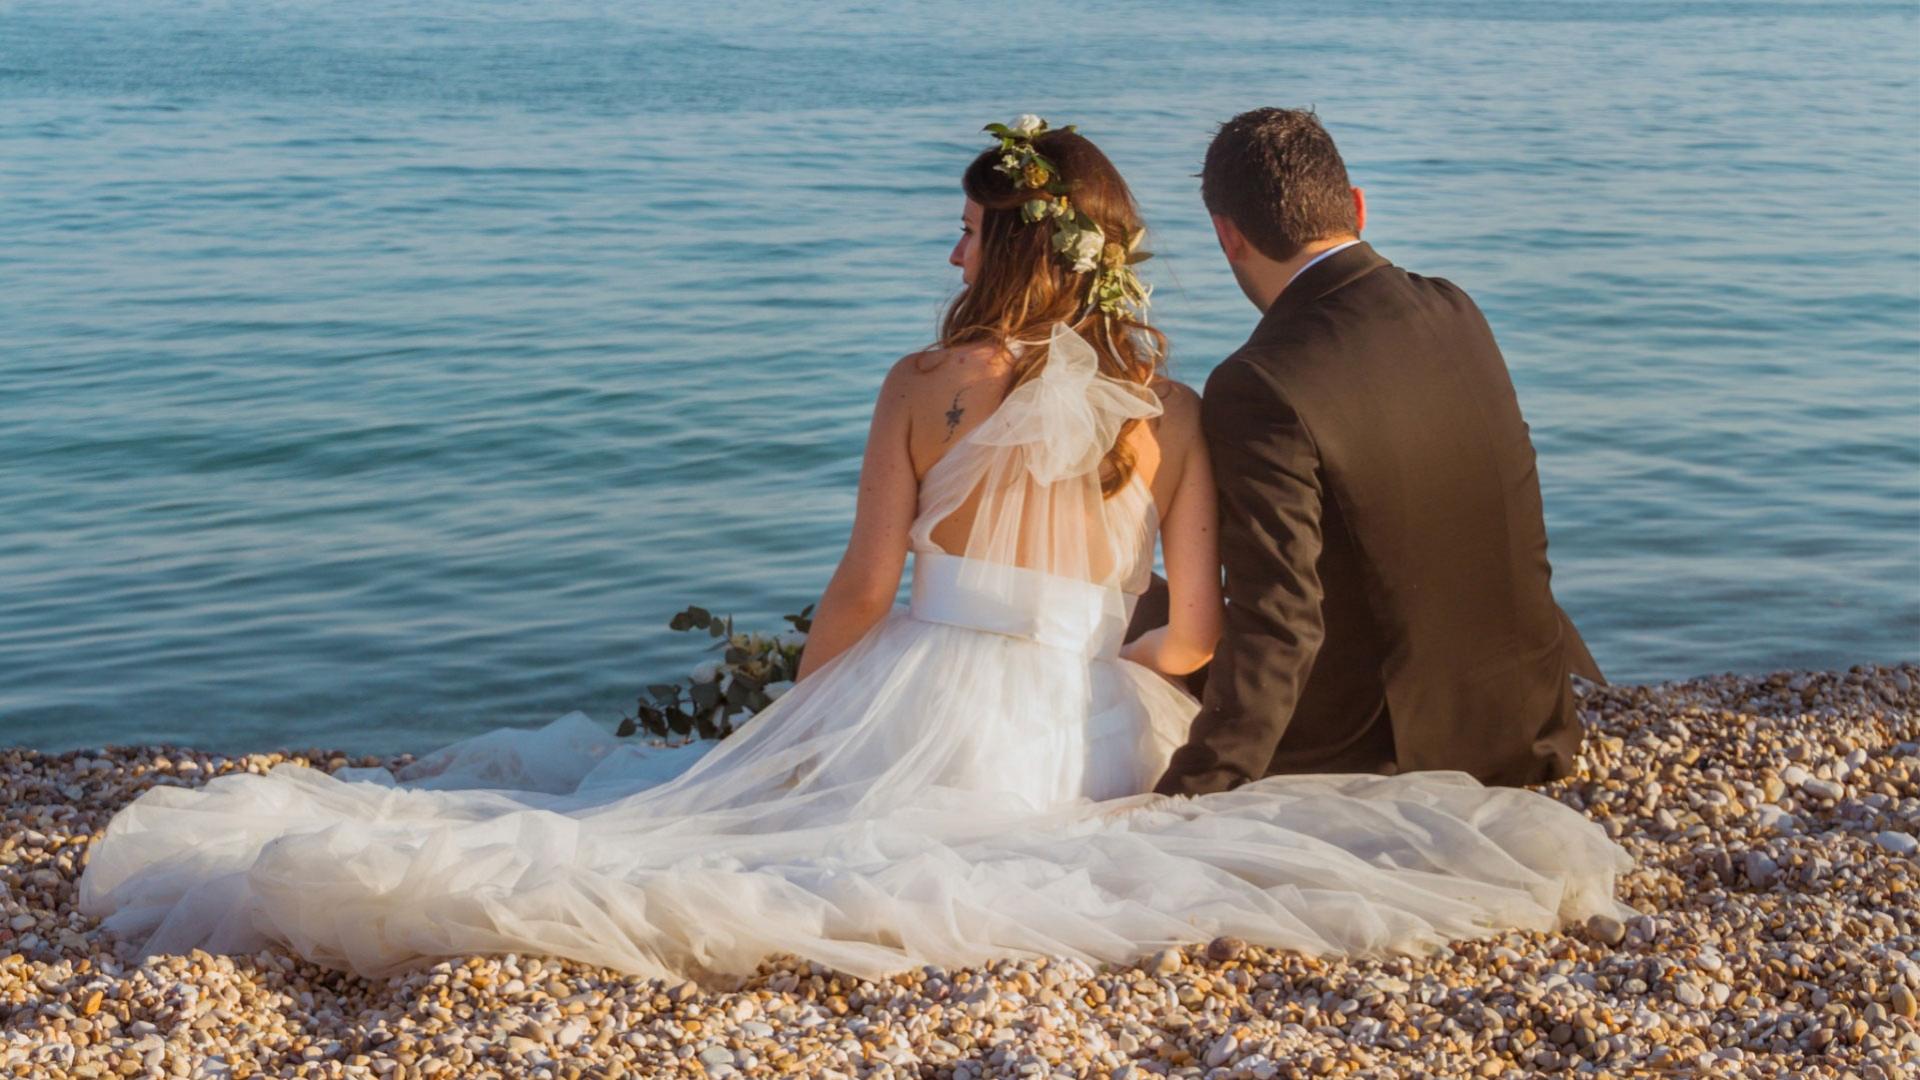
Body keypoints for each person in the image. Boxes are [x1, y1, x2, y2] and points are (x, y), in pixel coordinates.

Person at [79, 117, 1628, 983]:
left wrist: (794, 727)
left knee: (699, 827)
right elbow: (1206, 629)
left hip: (927, 689)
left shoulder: (920, 390)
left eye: (963, 232)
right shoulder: (1171, 402)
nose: (949, 256)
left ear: (1008, 246)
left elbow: (860, 597)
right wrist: (1125, 715)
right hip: (1078, 719)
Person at [1136, 108, 1607, 797]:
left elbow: (1281, 619)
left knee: (1125, 599)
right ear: (1356, 207)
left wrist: (1194, 793)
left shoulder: (1259, 381)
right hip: (1526, 721)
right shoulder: (1454, 308)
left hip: (1382, 752)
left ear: (1227, 237)